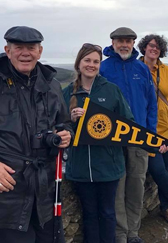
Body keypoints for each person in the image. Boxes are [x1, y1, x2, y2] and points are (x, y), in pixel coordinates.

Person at [0, 26, 72, 243]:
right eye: (18, 47)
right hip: (8, 196)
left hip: (46, 192)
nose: (25, 53)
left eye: (31, 47)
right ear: (7, 50)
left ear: (40, 51)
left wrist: (66, 133)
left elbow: (64, 122)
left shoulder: (51, 84)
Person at [63, 43, 134, 243]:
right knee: (90, 214)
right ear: (79, 64)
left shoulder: (111, 90)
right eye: (87, 60)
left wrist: (99, 119)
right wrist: (71, 118)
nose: (91, 65)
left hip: (108, 165)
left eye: (96, 61)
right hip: (80, 167)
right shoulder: (68, 93)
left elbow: (128, 124)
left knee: (108, 212)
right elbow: (57, 126)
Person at [100, 27, 160, 243]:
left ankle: (133, 232)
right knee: (117, 188)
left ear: (134, 44)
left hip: (139, 138)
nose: (124, 44)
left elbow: (152, 104)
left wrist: (150, 134)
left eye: (128, 41)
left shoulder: (142, 69)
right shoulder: (104, 68)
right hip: (112, 139)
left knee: (136, 186)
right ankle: (119, 234)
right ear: (113, 43)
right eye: (120, 41)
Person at [138, 34, 168, 224]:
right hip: (147, 130)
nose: (154, 49)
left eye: (158, 47)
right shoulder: (136, 69)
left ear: (161, 50)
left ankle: (166, 208)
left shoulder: (167, 72)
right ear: (144, 47)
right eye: (151, 45)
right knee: (157, 169)